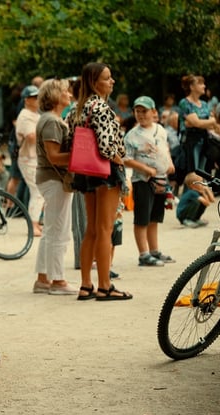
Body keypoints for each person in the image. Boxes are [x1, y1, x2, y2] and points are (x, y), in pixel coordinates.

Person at [66, 62, 132, 301]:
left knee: (91, 230)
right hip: (105, 171)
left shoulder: (77, 108)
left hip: (85, 171)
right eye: (107, 78)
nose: (112, 81)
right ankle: (105, 285)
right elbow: (106, 147)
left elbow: (72, 140)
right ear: (95, 83)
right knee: (106, 229)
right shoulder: (101, 108)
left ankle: (86, 285)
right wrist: (119, 159)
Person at [33, 78, 77, 295]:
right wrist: (79, 156)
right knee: (59, 231)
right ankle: (58, 281)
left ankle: (43, 278)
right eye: (65, 91)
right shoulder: (52, 121)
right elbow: (54, 156)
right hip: (54, 179)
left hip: (48, 179)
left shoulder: (49, 119)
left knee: (51, 231)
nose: (68, 94)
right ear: (56, 96)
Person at [123, 95, 176, 267]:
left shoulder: (160, 129)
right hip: (142, 181)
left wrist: (170, 163)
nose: (140, 114)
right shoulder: (132, 135)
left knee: (155, 217)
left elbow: (164, 148)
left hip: (160, 179)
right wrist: (145, 169)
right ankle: (143, 254)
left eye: (144, 111)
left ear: (154, 112)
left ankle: (154, 250)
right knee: (142, 219)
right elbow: (126, 159)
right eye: (137, 111)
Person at [16, 85, 43, 237]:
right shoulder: (25, 115)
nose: (37, 100)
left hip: (35, 157)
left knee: (39, 192)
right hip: (28, 158)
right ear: (27, 100)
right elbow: (31, 137)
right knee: (37, 191)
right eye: (34, 97)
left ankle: (36, 223)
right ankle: (32, 225)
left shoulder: (36, 115)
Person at [179, 74, 217, 177]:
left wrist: (199, 123)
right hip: (191, 142)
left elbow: (212, 124)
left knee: (202, 173)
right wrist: (209, 121)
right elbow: (198, 123)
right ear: (192, 87)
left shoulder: (204, 104)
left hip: (204, 140)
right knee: (192, 173)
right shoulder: (185, 103)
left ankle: (199, 193)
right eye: (200, 83)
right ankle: (190, 193)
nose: (204, 86)